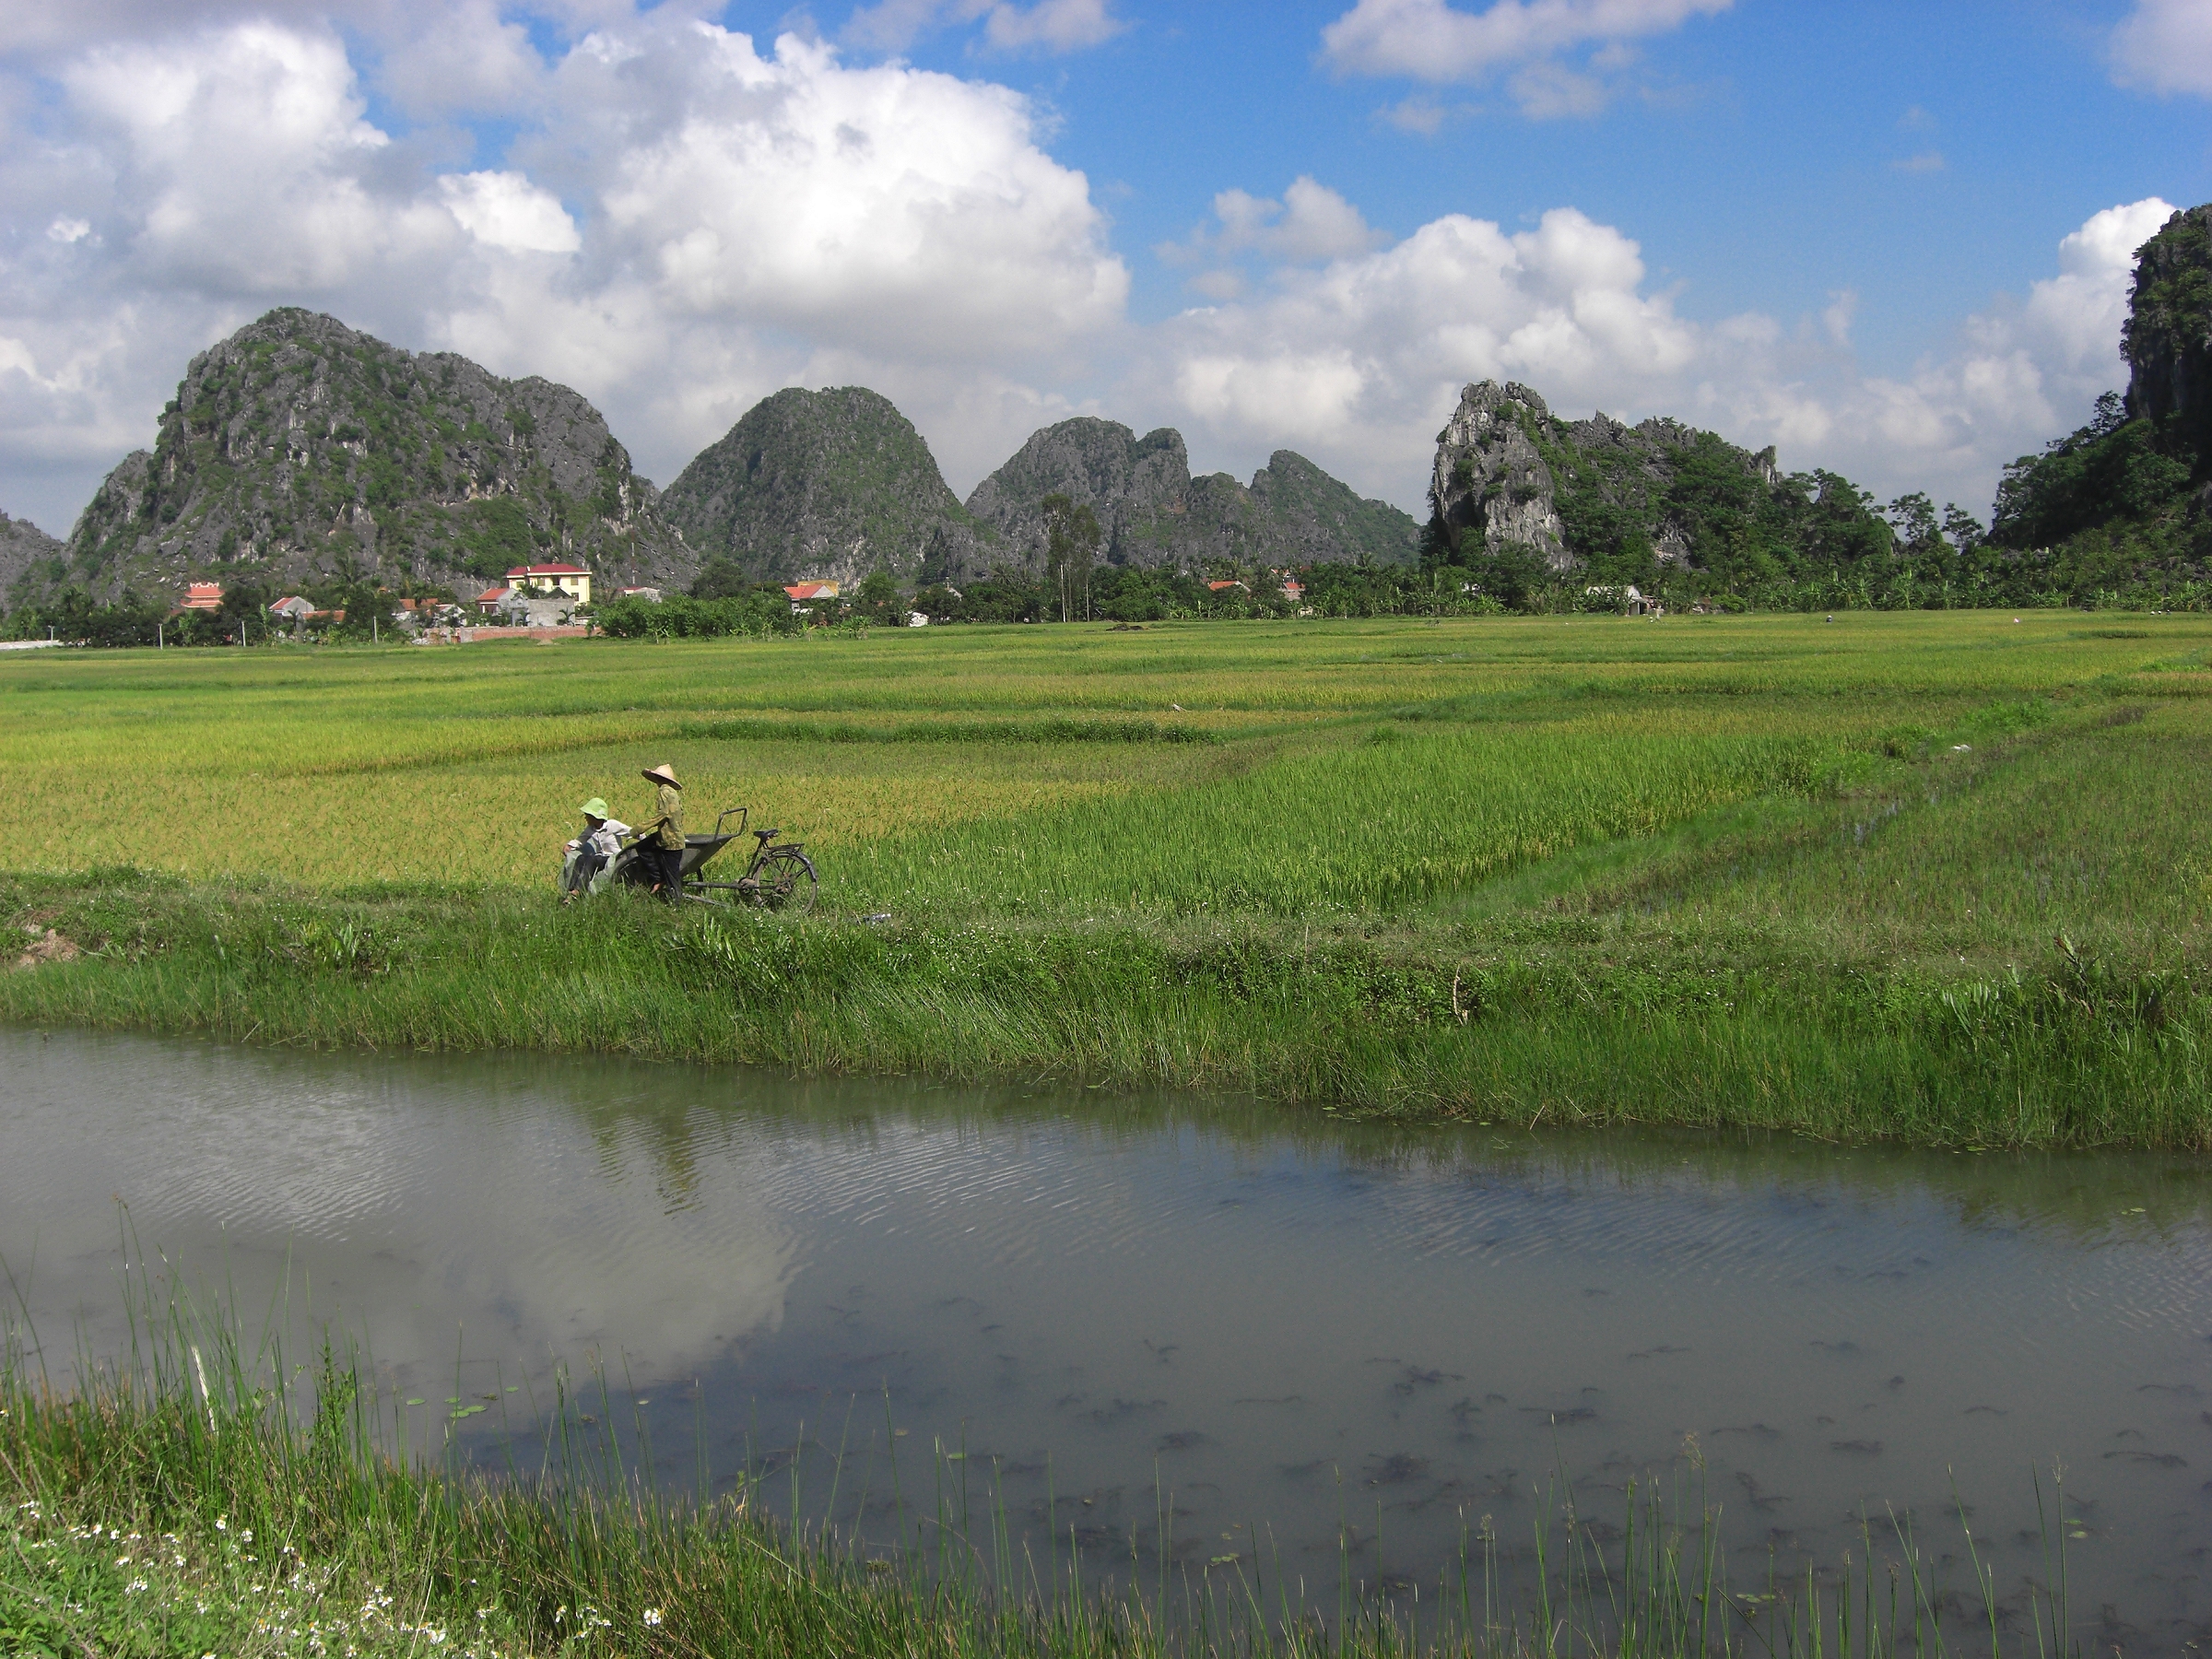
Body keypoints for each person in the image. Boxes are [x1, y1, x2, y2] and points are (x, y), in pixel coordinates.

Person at [560, 797, 629, 899]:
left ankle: (579, 889)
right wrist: (569, 846)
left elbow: (632, 832)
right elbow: (580, 840)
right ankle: (571, 890)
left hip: (613, 858)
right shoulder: (590, 829)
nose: (585, 818)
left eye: (587, 815)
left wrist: (644, 841)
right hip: (600, 857)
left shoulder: (612, 825)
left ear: (595, 817)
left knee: (591, 860)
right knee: (581, 858)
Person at [641, 762, 685, 902]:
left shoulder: (664, 792)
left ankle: (675, 903)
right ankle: (660, 878)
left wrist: (640, 828)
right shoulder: (673, 793)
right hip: (675, 837)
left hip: (669, 841)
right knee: (646, 846)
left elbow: (663, 814)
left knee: (642, 848)